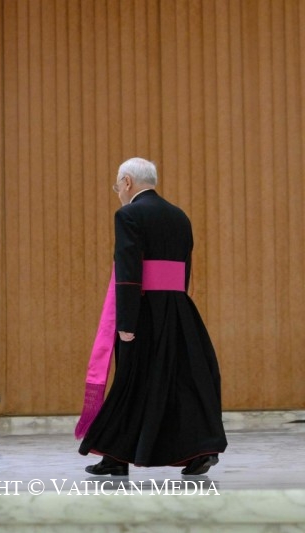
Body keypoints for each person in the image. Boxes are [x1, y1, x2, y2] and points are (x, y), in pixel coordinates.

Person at [78, 157, 227, 476]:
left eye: (117, 184)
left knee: (131, 381)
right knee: (179, 381)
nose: (117, 191)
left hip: (143, 311)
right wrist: (174, 303)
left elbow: (129, 271)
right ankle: (200, 448)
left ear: (128, 181)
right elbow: (184, 267)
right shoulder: (179, 216)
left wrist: (127, 324)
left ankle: (116, 456)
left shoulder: (128, 214)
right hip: (178, 310)